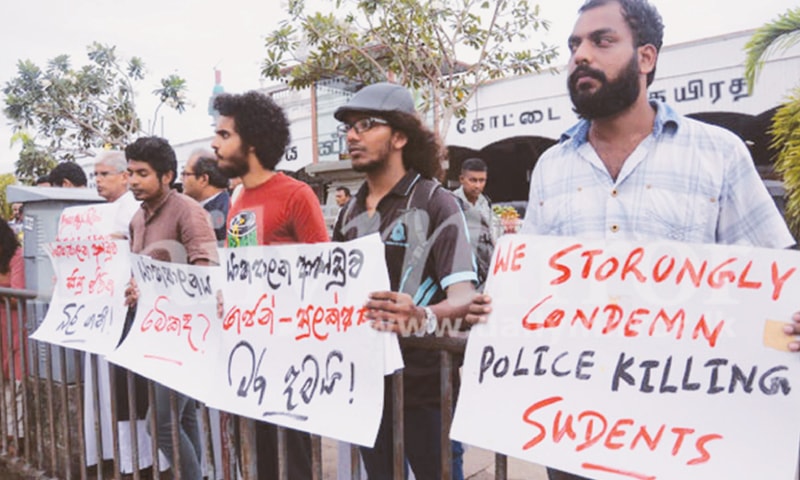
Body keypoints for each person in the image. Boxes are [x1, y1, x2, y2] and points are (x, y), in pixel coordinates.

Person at [465, 1, 796, 479]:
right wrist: (491, 307)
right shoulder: (552, 167)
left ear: (646, 58)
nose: (580, 55)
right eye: (574, 45)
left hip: (690, 438)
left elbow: (774, 276)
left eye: (601, 41)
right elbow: (529, 288)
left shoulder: (718, 153)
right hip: (572, 431)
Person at [332, 82, 479, 480]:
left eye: (366, 124)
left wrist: (422, 316)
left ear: (399, 136)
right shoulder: (348, 214)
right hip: (366, 386)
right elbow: (330, 294)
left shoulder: (435, 202)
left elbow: (465, 297)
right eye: (348, 126)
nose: (352, 135)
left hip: (426, 392)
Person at [212, 90, 329, 479]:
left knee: (290, 461)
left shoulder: (297, 194)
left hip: (290, 359)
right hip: (248, 355)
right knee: (257, 458)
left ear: (253, 142)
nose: (215, 143)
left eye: (225, 134)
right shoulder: (237, 197)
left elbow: (325, 274)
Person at [124, 136, 219, 480]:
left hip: (187, 336)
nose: (133, 180)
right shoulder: (137, 218)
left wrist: (172, 293)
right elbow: (140, 272)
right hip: (154, 334)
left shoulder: (189, 212)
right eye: (130, 172)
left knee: (160, 424)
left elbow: (207, 269)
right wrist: (135, 291)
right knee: (183, 417)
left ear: (167, 176)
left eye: (142, 173)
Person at [0, 218, 25, 445]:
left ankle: (15, 437)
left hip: (13, 326)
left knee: (15, 384)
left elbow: (18, 295)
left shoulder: (16, 256)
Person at [452, 157, 495, 288]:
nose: (477, 185)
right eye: (473, 180)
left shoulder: (485, 202)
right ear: (461, 179)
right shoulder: (451, 203)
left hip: (484, 267)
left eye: (482, 180)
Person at [181, 149, 230, 244]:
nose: (181, 179)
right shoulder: (201, 207)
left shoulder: (225, 213)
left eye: (185, 174)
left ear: (203, 179)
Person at [94, 150, 139, 239]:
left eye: (104, 174)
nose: (97, 179)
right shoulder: (101, 210)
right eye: (96, 174)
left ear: (124, 177)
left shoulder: (135, 210)